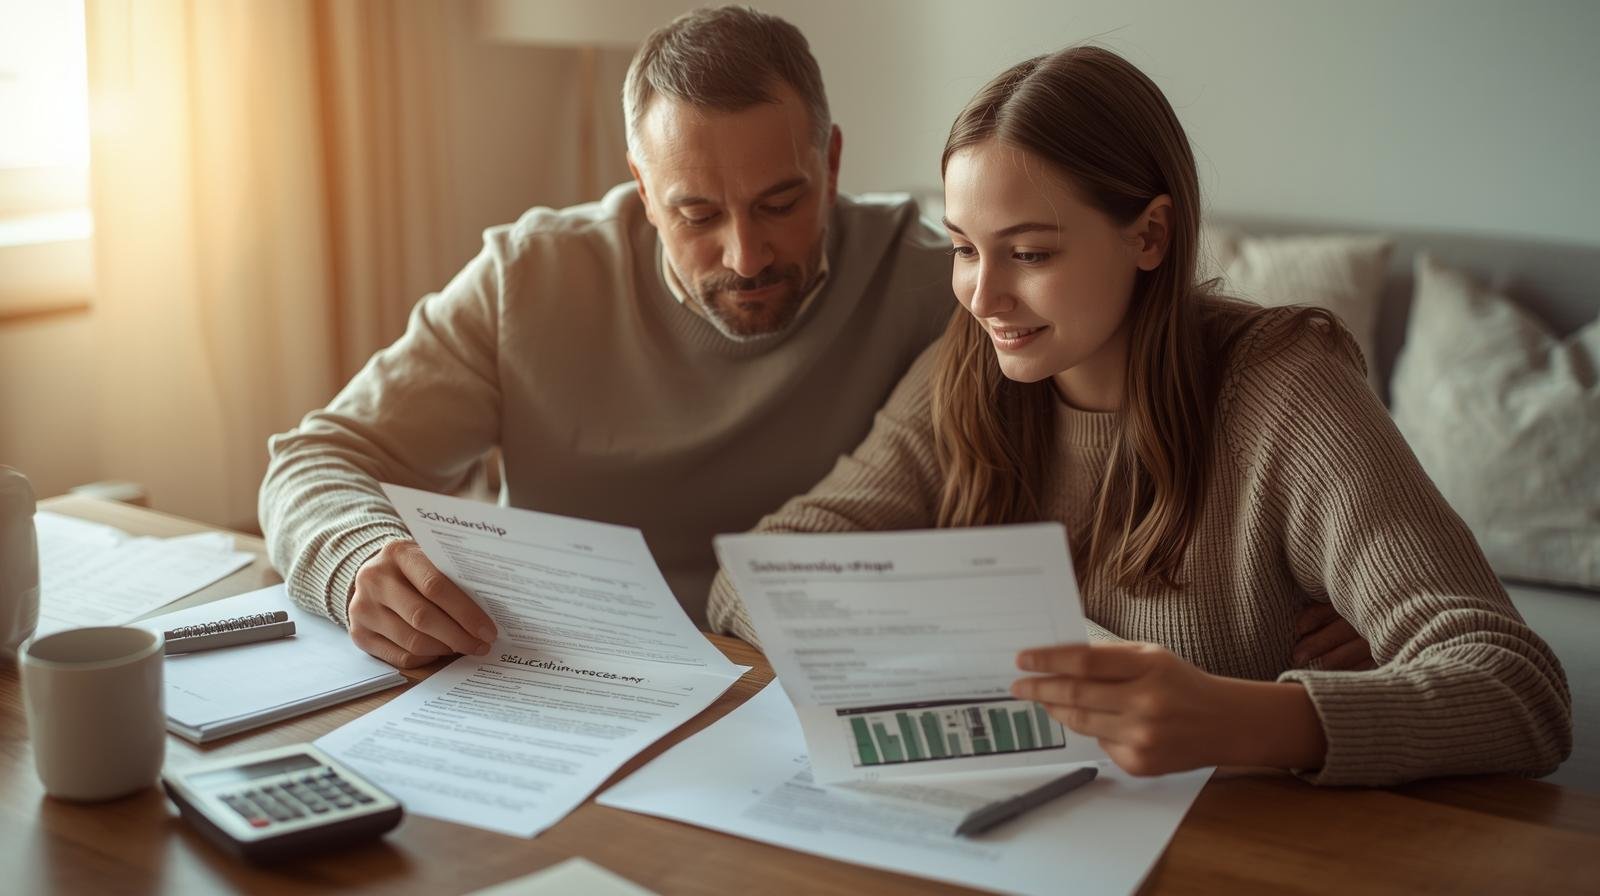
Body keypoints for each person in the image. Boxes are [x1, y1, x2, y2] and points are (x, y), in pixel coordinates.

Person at [260, 7, 1369, 675]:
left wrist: (1302, 590)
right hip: (558, 684)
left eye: (783, 200)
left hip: (798, 696)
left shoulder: (956, 280)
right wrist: (357, 558)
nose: (747, 253)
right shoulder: (530, 278)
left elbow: (1137, 411)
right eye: (697, 212)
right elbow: (312, 460)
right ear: (641, 191)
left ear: (833, 161)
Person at [707, 46, 1571, 786]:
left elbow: (1519, 690)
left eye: (1031, 253)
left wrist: (1248, 717)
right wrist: (944, 622)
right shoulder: (966, 373)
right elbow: (750, 575)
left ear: (1150, 236)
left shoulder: (1285, 393)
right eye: (966, 249)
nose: (985, 295)